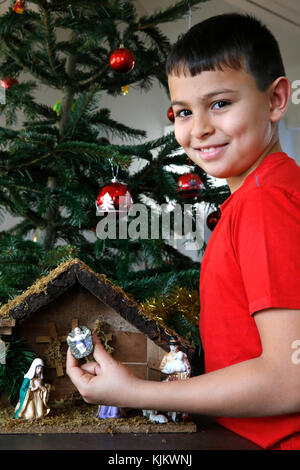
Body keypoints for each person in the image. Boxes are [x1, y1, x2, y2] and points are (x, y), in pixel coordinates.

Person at [66, 13, 300, 450]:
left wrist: (134, 393)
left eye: (220, 103)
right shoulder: (257, 196)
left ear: (275, 99)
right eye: (183, 112)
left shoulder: (266, 202)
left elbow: (291, 377)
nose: (199, 129)